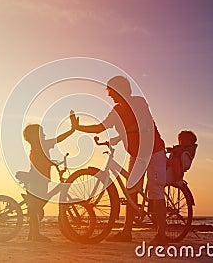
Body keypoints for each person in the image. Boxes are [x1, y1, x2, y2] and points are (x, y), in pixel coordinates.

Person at [71, 76, 167, 244]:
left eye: (111, 92)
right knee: (131, 191)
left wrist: (123, 133)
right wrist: (78, 127)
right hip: (136, 155)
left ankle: (162, 235)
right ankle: (126, 232)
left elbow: (142, 124)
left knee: (155, 191)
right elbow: (100, 127)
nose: (110, 96)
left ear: (121, 90)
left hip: (154, 151)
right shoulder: (116, 111)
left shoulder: (139, 102)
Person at [21, 113, 76, 242]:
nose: (44, 135)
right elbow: (58, 139)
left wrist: (52, 163)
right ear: (36, 137)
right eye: (42, 133)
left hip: (38, 179)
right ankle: (36, 235)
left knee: (36, 207)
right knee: (37, 207)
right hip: (38, 180)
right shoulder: (41, 145)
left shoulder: (37, 146)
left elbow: (42, 159)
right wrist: (72, 130)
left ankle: (32, 234)